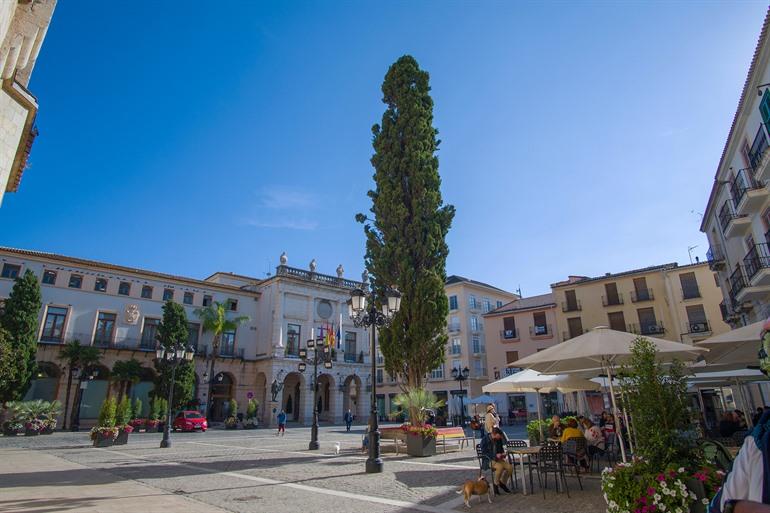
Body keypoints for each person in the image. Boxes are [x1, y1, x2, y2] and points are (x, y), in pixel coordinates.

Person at [480, 427, 512, 495]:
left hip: (498, 459)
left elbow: (501, 449)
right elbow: (484, 453)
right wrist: (495, 455)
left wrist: (503, 454)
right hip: (488, 460)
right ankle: (495, 485)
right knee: (499, 467)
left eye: (500, 437)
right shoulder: (485, 440)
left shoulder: (499, 439)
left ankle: (502, 483)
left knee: (510, 468)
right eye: (498, 436)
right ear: (494, 434)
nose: (499, 438)